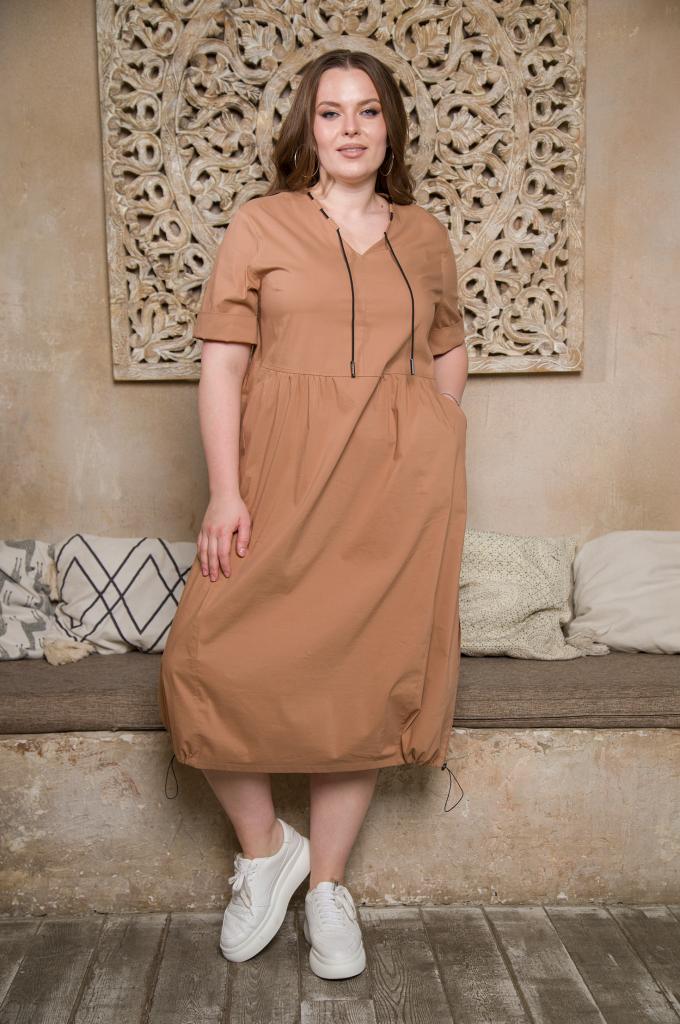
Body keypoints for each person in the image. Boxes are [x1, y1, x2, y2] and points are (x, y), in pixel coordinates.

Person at [159, 48, 468, 979]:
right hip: (278, 477)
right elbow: (223, 364)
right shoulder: (260, 224)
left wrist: (434, 435)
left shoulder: (424, 236)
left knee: (359, 681)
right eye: (331, 112)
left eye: (367, 111)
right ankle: (267, 853)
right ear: (307, 128)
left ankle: (328, 887)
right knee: (204, 660)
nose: (349, 128)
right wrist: (226, 490)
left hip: (391, 496)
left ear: (390, 129)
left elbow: (448, 345)